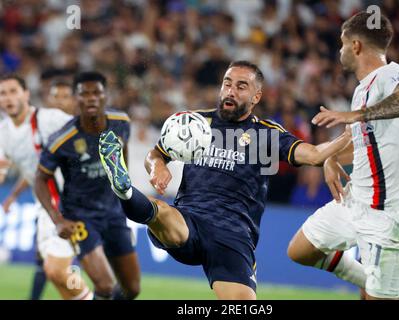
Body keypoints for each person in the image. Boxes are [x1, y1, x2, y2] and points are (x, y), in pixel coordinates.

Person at [98, 60, 351, 300]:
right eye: (227, 83)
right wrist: (157, 166)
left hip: (233, 234)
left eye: (241, 87)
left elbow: (314, 154)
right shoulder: (196, 122)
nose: (231, 91)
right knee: (160, 211)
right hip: (190, 219)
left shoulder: (266, 134)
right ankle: (125, 190)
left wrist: (345, 137)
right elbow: (156, 153)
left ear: (256, 97)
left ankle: (126, 193)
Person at [286, 12, 399, 300]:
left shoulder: (395, 73)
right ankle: (374, 282)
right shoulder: (362, 89)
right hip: (356, 203)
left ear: (355, 46)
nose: (339, 51)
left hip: (391, 216)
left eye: (342, 44)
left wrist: (354, 115)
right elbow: (366, 142)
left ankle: (384, 290)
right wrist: (331, 158)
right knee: (300, 250)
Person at [35, 71, 141, 300]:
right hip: (80, 217)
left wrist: (124, 183)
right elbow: (40, 179)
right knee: (104, 286)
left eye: (97, 93)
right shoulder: (61, 140)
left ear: (105, 96)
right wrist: (57, 219)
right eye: (84, 94)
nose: (91, 98)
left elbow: (123, 147)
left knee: (131, 289)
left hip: (113, 212)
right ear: (76, 98)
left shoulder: (121, 122)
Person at [0, 74, 93, 300]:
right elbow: (15, 169)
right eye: (3, 93)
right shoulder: (3, 132)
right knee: (54, 272)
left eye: (13, 91)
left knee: (57, 269)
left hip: (72, 204)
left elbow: (88, 136)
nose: (8, 98)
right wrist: (12, 195)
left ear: (26, 94)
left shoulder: (50, 119)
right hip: (45, 207)